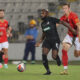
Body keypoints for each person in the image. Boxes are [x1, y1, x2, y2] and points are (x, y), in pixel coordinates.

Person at [35, 9, 77, 75]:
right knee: (44, 54)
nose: (41, 15)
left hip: (55, 40)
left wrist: (71, 29)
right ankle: (48, 71)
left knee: (54, 56)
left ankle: (57, 59)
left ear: (46, 14)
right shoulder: (42, 23)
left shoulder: (51, 19)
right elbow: (44, 33)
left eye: (43, 13)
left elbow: (62, 22)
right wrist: (40, 41)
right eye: (41, 13)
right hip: (47, 40)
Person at [59, 2, 80, 75]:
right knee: (64, 49)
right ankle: (65, 70)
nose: (64, 10)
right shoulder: (63, 17)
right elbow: (58, 23)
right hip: (70, 36)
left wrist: (79, 37)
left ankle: (77, 50)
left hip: (77, 36)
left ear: (69, 8)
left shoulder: (74, 16)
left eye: (66, 8)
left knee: (77, 55)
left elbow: (78, 27)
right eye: (63, 8)